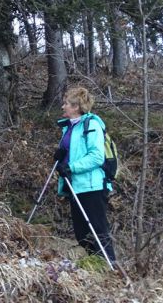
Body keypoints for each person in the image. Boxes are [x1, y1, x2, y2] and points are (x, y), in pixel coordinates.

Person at [54, 86, 116, 264]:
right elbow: (74, 151)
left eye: (66, 103)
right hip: (76, 186)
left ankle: (111, 269)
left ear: (76, 107)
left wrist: (71, 167)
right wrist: (60, 155)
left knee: (98, 231)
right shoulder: (70, 128)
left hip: (93, 186)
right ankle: (97, 267)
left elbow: (96, 157)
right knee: (82, 234)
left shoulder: (92, 125)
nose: (63, 106)